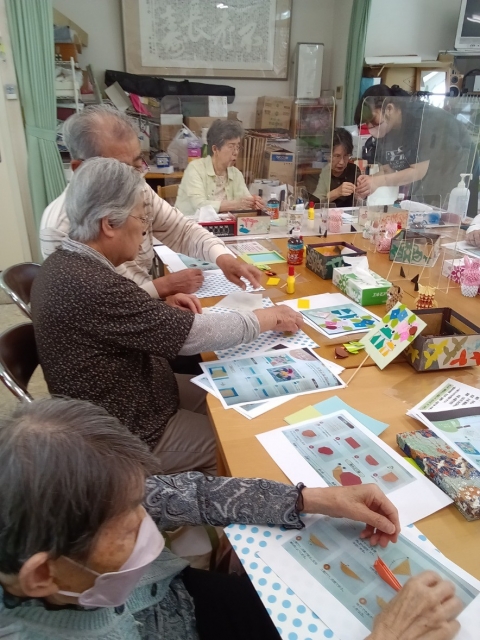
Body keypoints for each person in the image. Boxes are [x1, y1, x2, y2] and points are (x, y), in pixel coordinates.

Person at [0, 397, 463, 640]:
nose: (150, 520)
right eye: (127, 528)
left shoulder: (65, 513)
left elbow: (189, 494)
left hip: (179, 600)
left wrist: (310, 499)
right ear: (42, 575)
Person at [31, 158, 303, 476]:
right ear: (109, 224)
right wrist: (268, 318)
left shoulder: (66, 262)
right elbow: (193, 335)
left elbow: (116, 319)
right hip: (128, 429)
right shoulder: (93, 284)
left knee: (246, 398)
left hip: (141, 390)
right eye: (140, 217)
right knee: (241, 445)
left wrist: (154, 311)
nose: (145, 228)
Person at [40, 106, 261, 298]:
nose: (135, 179)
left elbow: (182, 230)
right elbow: (101, 308)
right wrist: (161, 288)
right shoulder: (60, 229)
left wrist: (223, 257)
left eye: (137, 165)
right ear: (80, 169)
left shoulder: (138, 189)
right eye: (120, 170)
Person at [354, 84, 474, 208]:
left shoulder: (422, 120)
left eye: (372, 120)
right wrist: (368, 182)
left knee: (445, 206)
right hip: (430, 172)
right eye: (366, 123)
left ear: (389, 109)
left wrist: (378, 181)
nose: (370, 127)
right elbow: (388, 170)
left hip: (456, 164)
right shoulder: (386, 129)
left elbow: (418, 171)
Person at [175, 119, 264, 216]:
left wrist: (253, 203)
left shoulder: (236, 174)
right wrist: (235, 205)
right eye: (231, 146)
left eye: (237, 147)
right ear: (215, 149)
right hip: (191, 223)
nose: (236, 152)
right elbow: (199, 206)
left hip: (223, 224)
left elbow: (244, 202)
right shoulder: (195, 169)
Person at [313, 128, 359, 207]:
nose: (342, 162)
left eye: (346, 155)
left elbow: (359, 202)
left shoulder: (354, 170)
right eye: (337, 156)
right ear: (327, 155)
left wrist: (361, 194)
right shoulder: (320, 172)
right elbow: (314, 204)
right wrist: (337, 192)